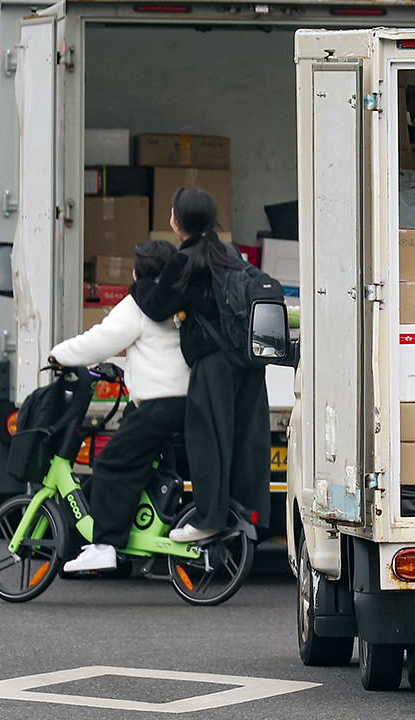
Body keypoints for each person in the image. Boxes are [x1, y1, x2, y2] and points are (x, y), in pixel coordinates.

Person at [132, 188, 271, 543]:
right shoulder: (230, 252)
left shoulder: (185, 261)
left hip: (215, 365)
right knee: (246, 441)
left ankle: (209, 519)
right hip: (250, 362)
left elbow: (158, 307)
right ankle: (245, 514)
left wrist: (141, 285)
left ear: (177, 222)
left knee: (207, 440)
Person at [50, 240, 188, 573]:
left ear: (136, 272)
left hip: (158, 403)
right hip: (183, 402)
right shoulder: (179, 299)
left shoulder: (139, 304)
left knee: (112, 462)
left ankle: (106, 544)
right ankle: (146, 531)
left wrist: (58, 354)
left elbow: (99, 341)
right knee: (145, 462)